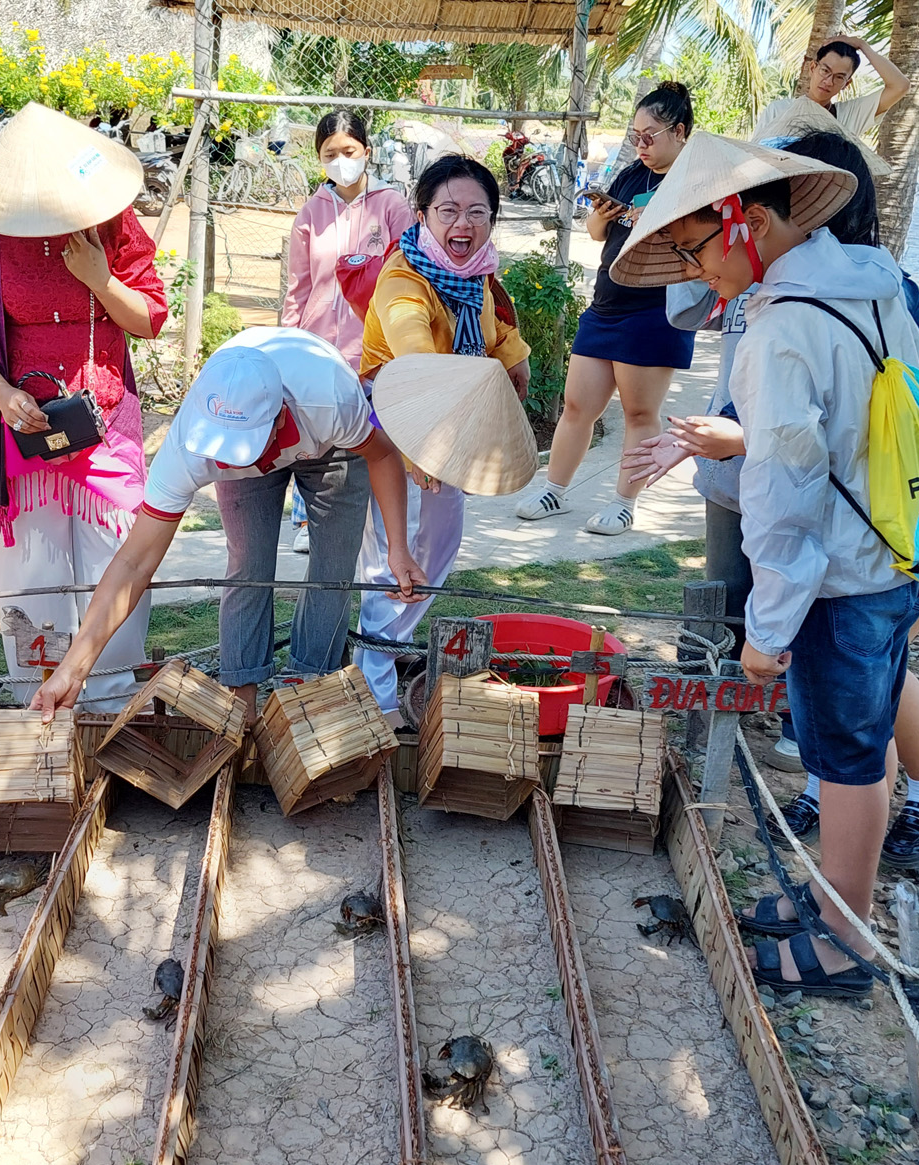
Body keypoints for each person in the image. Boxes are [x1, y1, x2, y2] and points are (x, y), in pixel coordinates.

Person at [613, 130, 919, 998]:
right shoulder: (872, 284)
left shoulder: (781, 330)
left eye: (697, 247)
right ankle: (837, 904)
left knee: (846, 758)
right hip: (891, 549)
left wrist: (766, 630)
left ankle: (843, 942)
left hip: (837, 574)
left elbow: (785, 489)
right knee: (856, 745)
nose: (696, 270)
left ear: (751, 220)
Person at [0, 103, 167, 712]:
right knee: (31, 580)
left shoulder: (112, 222)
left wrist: (100, 277)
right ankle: (38, 709)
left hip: (105, 424)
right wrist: (3, 395)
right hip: (19, 431)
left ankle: (114, 710)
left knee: (116, 565)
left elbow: (147, 319)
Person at [30, 327, 426, 714]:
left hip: (329, 443)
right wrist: (72, 671)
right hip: (278, 425)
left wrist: (399, 550)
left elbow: (383, 455)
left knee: (333, 569)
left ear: (279, 421)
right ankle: (241, 707)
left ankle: (309, 694)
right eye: (222, 451)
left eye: (242, 450)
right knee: (247, 566)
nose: (227, 463)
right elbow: (134, 563)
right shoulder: (189, 447)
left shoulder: (330, 401)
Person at [355, 153, 532, 716]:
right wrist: (422, 442)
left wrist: (514, 360)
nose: (463, 224)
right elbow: (413, 357)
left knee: (441, 546)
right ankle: (375, 692)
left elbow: (498, 330)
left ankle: (390, 646)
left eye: (477, 211)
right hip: (396, 428)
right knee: (393, 556)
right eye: (449, 210)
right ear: (422, 214)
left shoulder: (476, 276)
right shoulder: (404, 278)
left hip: (450, 427)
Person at [516, 81, 695, 537]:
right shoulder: (633, 174)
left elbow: (697, 246)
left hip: (655, 308)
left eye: (650, 135)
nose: (641, 144)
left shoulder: (694, 180)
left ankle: (622, 503)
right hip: (607, 303)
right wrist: (602, 215)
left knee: (639, 413)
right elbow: (597, 234)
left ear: (680, 132)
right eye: (635, 134)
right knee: (577, 406)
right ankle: (554, 489)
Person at [278, 108, 416, 554]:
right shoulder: (310, 214)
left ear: (367, 152)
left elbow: (410, 274)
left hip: (375, 350)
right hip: (318, 350)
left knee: (374, 441)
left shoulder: (391, 206)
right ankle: (307, 518)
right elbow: (298, 288)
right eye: (330, 153)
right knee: (316, 436)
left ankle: (384, 529)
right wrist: (287, 349)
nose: (341, 160)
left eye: (349, 151)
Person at [752, 35, 909, 144]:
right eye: (825, 71)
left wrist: (862, 45)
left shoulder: (851, 114)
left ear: (846, 84)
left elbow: (900, 85)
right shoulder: (778, 110)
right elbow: (756, 155)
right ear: (813, 67)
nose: (828, 81)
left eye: (839, 77)